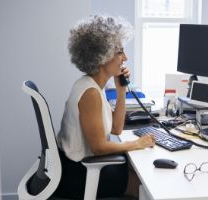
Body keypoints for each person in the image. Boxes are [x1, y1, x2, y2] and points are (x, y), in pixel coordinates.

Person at [54, 15, 155, 199]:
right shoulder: (90, 93)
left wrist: (121, 90)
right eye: (120, 52)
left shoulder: (93, 86)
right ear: (102, 55)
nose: (125, 57)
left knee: (138, 169)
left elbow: (116, 129)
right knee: (147, 183)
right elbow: (99, 147)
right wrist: (137, 143)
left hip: (83, 165)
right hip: (80, 174)